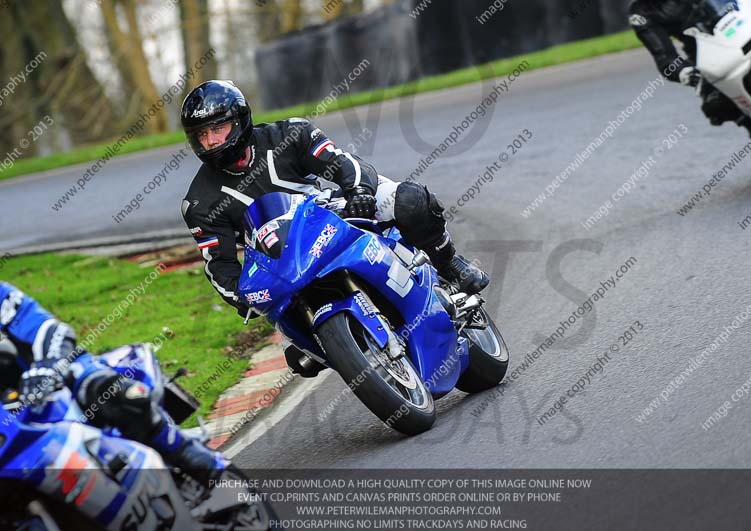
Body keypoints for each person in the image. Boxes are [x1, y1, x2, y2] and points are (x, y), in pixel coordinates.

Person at [179, 80, 490, 376]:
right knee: (289, 338)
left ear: (240, 119)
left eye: (218, 128)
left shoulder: (291, 134)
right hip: (280, 260)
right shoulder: (199, 203)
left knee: (407, 200)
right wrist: (243, 298)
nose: (211, 141)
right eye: (201, 135)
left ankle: (449, 263)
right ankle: (325, 344)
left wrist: (359, 192)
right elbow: (219, 265)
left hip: (331, 214)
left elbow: (342, 163)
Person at [0, 282, 225, 481]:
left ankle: (198, 460)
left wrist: (46, 368)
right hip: (11, 422)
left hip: (59, 379)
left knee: (114, 394)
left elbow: (49, 329)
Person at [628, 0, 751, 141]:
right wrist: (689, 74)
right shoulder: (641, 13)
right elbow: (665, 59)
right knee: (715, 103)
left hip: (746, 18)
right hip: (708, 51)